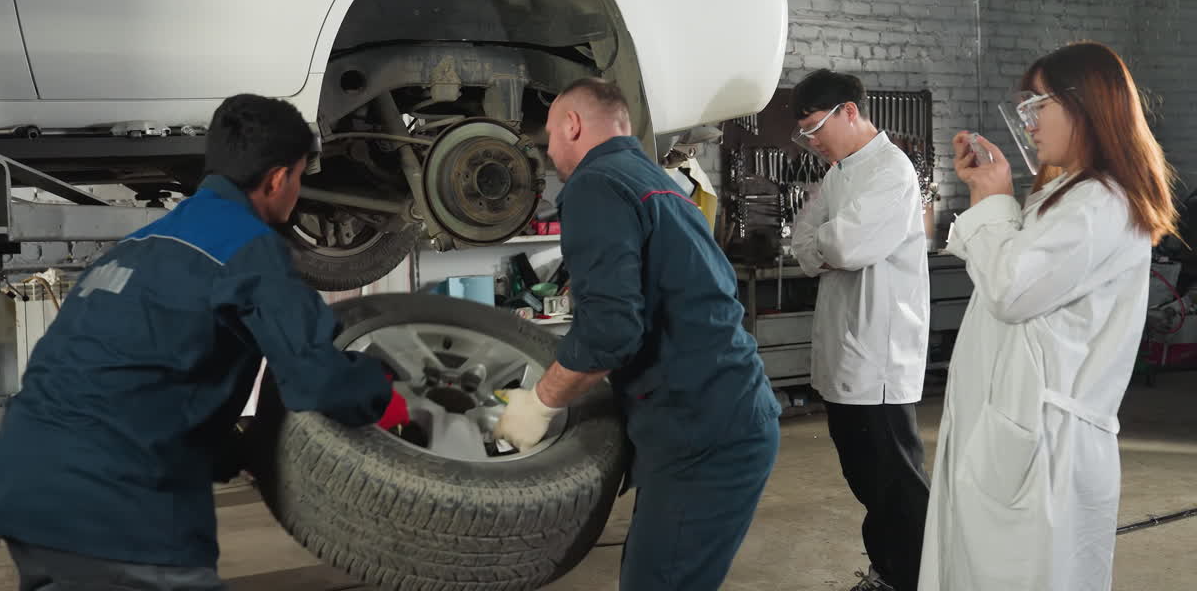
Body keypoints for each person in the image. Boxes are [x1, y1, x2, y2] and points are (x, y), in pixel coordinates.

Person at [0, 94, 409, 591]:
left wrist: (238, 451)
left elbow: (130, 382)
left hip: (25, 493)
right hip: (120, 512)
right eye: (298, 178)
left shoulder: (138, 248)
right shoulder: (248, 249)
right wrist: (388, 391)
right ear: (277, 179)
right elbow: (318, 381)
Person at [492, 78, 780, 591]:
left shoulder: (595, 183)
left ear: (573, 125)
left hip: (702, 432)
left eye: (549, 138)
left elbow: (609, 332)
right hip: (718, 414)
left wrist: (539, 402)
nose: (549, 152)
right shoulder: (658, 179)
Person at [919, 41, 1177, 591]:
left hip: (1045, 446)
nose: (1029, 122)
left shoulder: (1102, 203)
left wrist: (991, 200)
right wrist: (992, 196)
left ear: (1088, 106)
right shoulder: (1063, 194)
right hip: (1016, 430)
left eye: (1038, 105)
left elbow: (1012, 289)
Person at [789, 69, 931, 591]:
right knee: (865, 477)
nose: (812, 141)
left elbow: (843, 248)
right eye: (804, 133)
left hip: (880, 354)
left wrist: (826, 247)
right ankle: (888, 571)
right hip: (844, 350)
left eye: (815, 128)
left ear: (849, 111)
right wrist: (826, 248)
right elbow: (804, 242)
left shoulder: (892, 172)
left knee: (897, 481)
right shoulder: (837, 174)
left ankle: (918, 577)